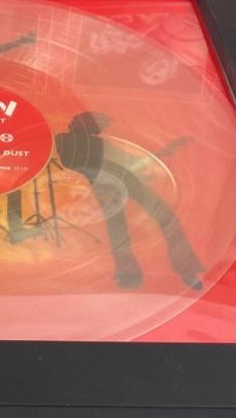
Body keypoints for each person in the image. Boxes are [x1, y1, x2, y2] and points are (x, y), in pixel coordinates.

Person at [55, 111, 204, 292]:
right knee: (127, 228)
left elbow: (132, 161)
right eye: (100, 125)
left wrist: (166, 151)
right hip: (110, 186)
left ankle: (140, 275)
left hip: (121, 183)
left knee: (126, 228)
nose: (102, 130)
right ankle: (177, 272)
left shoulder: (89, 142)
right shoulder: (67, 140)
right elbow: (129, 161)